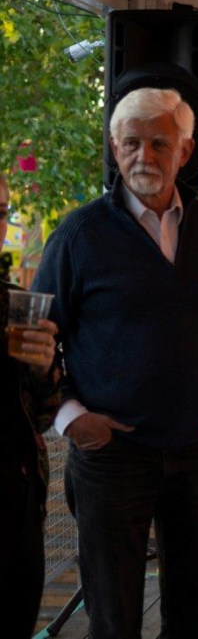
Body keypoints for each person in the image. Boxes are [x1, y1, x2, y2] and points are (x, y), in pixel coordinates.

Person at [33, 87, 198, 638]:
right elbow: (33, 342)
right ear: (114, 147)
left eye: (159, 143)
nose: (143, 156)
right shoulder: (79, 235)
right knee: (113, 624)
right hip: (111, 458)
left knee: (194, 624)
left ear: (186, 150)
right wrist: (69, 418)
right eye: (130, 143)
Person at [0, 172, 62, 639]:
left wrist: (43, 368)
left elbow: (42, 414)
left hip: (15, 499)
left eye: (1, 211)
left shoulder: (14, 303)